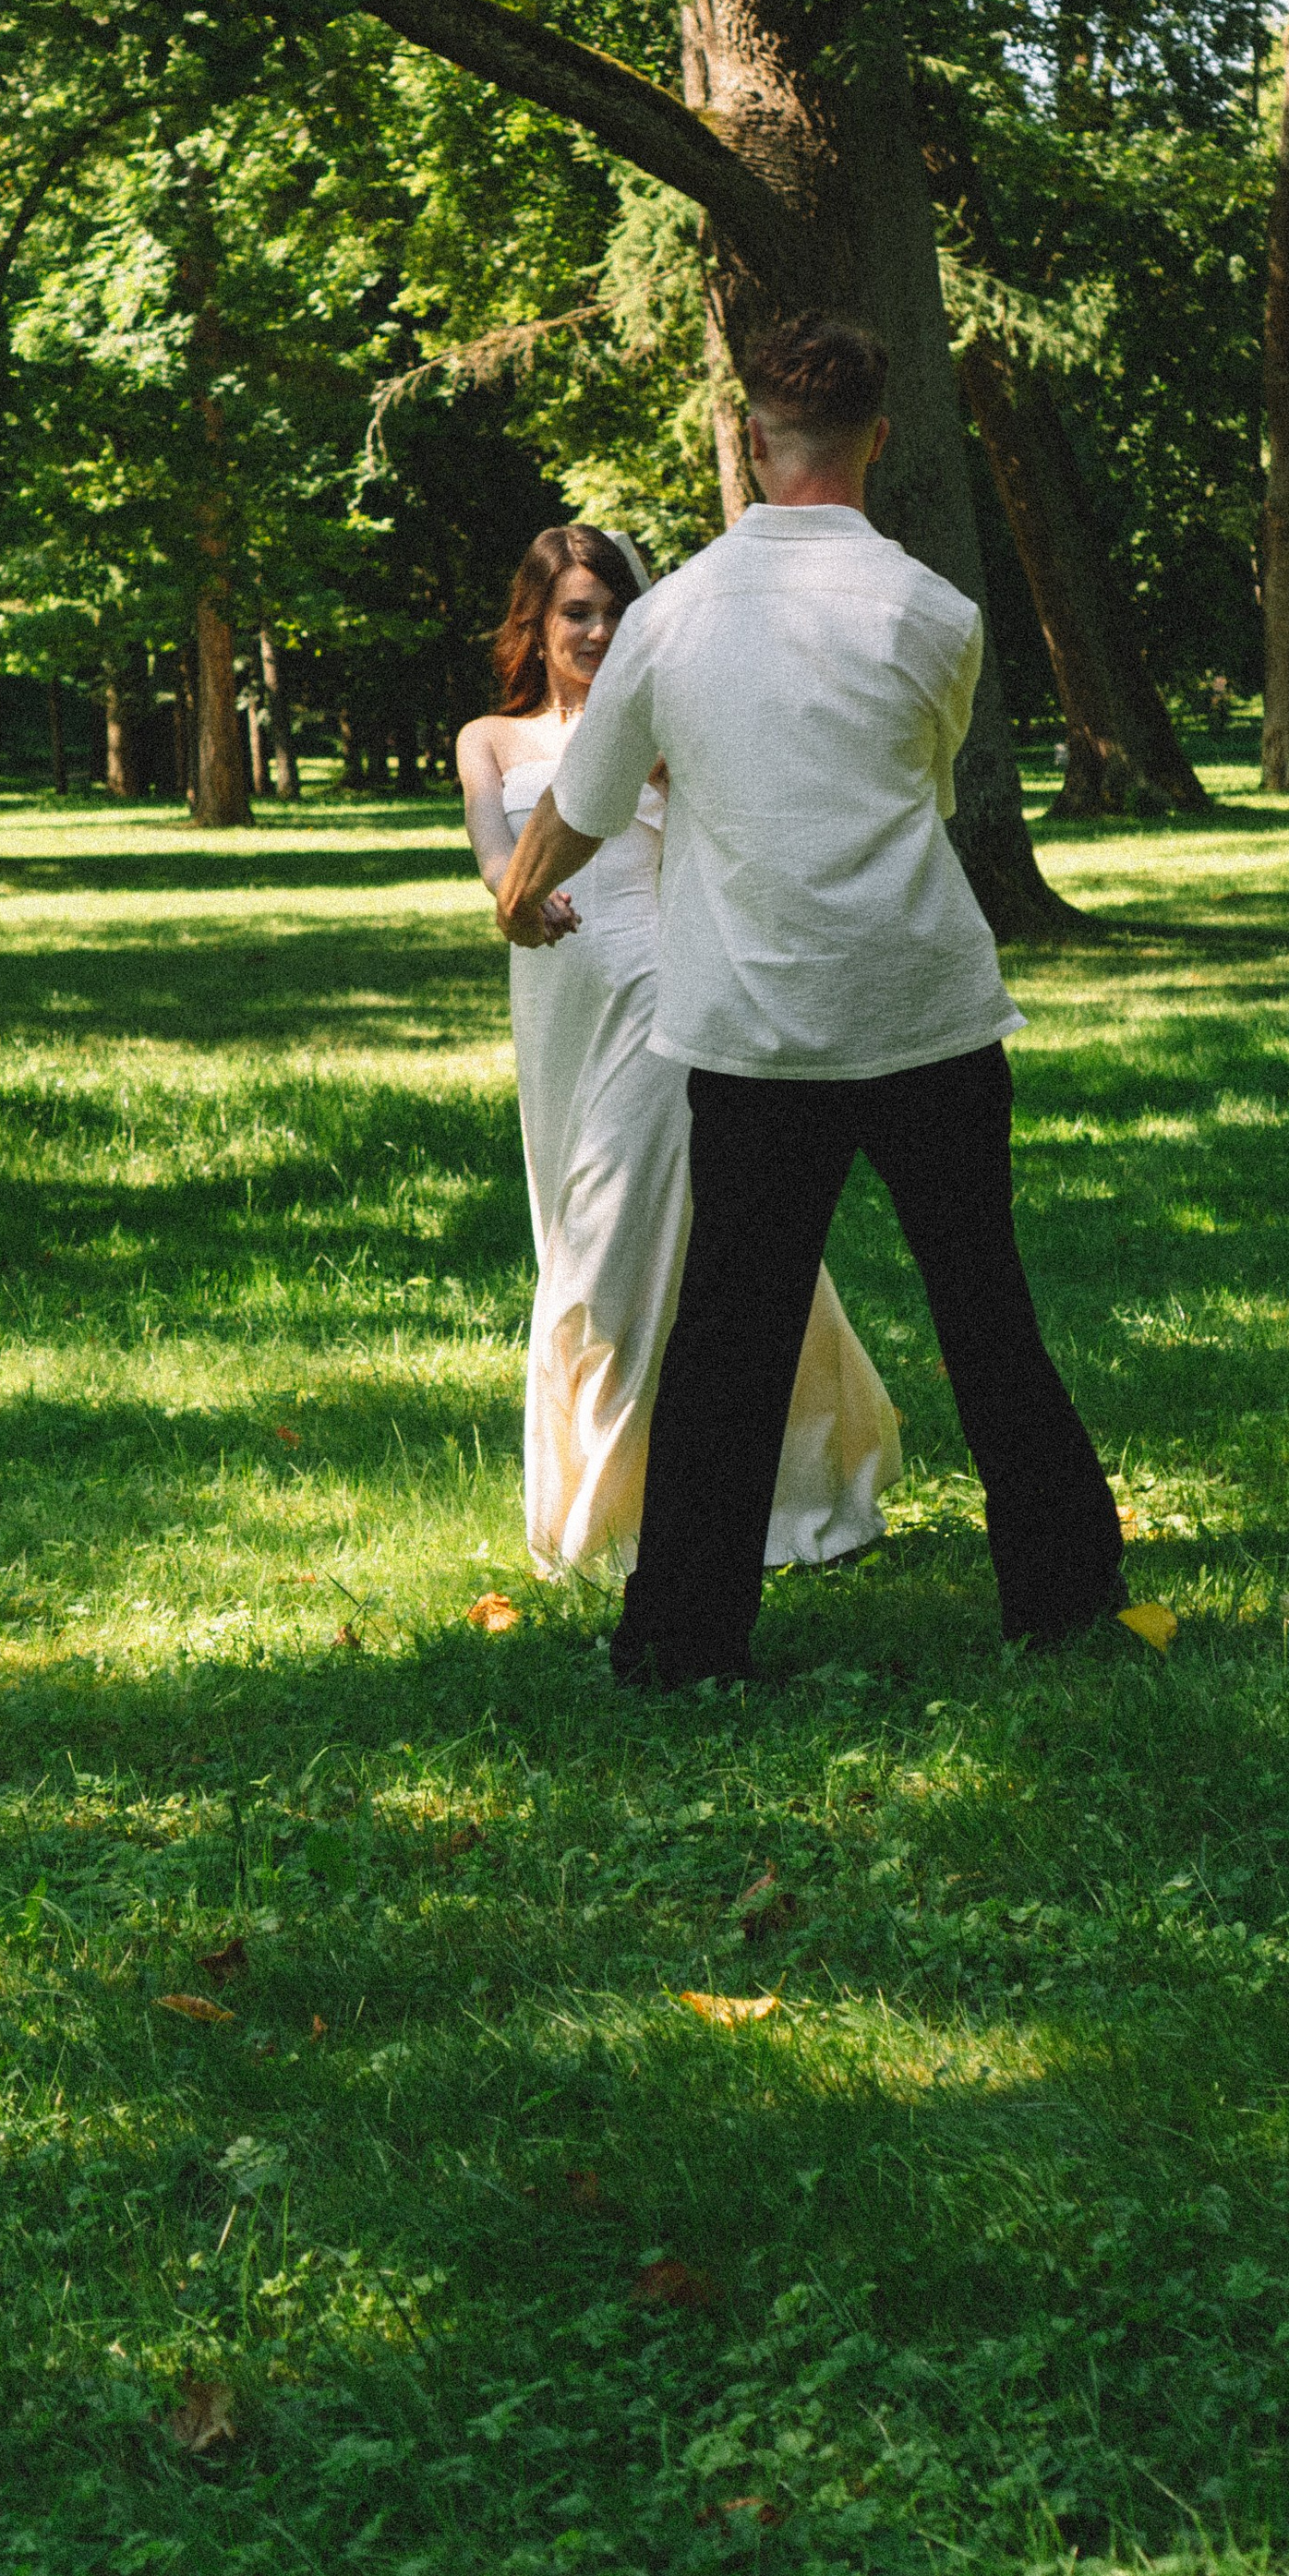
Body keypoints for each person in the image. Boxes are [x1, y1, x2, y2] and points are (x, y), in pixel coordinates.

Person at [497, 323, 1153, 1691]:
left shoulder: (669, 614)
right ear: (878, 441)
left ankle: (683, 1638)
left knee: (729, 1340)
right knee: (986, 1308)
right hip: (924, 1007)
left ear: (748, 437)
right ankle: (1065, 1593)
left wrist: (517, 892)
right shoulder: (935, 613)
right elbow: (920, 773)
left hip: (758, 1029)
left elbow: (585, 804)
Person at [459, 522, 897, 1584]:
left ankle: (636, 1522)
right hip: (557, 997)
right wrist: (516, 899)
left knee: (615, 1256)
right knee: (594, 1228)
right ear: (538, 622)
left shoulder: (666, 723)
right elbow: (493, 847)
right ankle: (692, 1495)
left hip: (665, 997)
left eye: (615, 610)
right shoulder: (490, 739)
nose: (600, 630)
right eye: (577, 612)